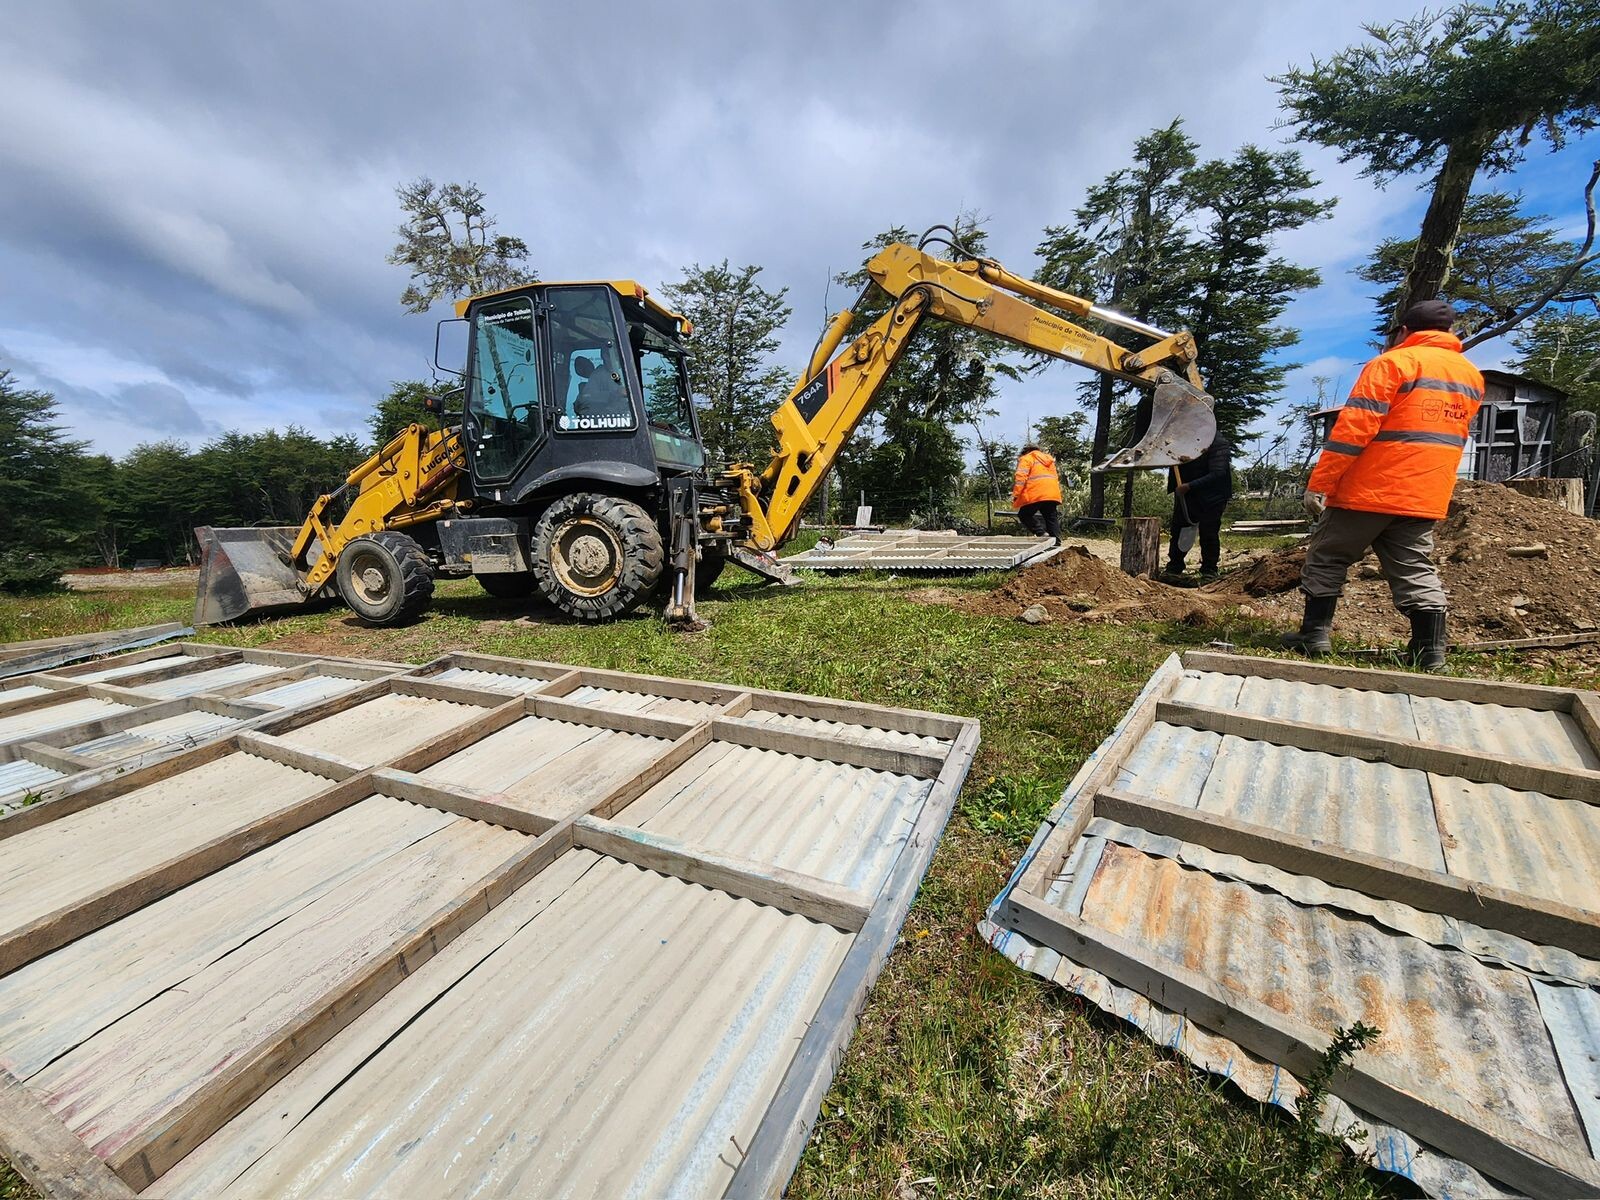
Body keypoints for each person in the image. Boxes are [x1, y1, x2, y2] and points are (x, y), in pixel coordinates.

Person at [1283, 298, 1483, 671]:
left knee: (1328, 556)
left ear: (1405, 331)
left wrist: (1320, 483)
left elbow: (1354, 429)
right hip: (1424, 493)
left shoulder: (1392, 364)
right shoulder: (1470, 376)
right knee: (1415, 567)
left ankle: (1314, 635)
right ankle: (1430, 653)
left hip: (1369, 489)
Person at [1165, 431, 1234, 578]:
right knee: (1180, 530)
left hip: (1212, 497)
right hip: (1187, 496)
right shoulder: (1181, 441)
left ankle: (1209, 568)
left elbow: (1218, 473)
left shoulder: (1217, 442)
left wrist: (1189, 486)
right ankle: (1175, 566)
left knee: (1208, 532)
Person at [1012, 443, 1062, 543]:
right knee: (1051, 517)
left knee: (1024, 514)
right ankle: (1056, 542)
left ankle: (1041, 533)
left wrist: (1016, 495)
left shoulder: (1027, 458)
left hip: (1036, 493)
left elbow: (1021, 478)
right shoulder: (1049, 460)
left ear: (1025, 451)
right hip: (1052, 493)